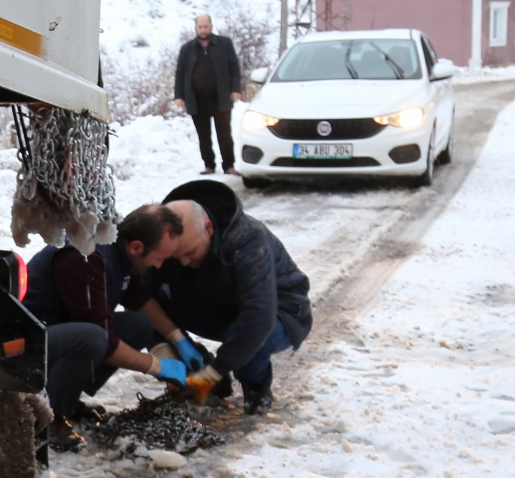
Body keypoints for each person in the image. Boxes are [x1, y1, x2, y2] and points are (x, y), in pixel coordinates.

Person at [23, 204, 202, 451]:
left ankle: (68, 400)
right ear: (136, 247)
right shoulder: (85, 256)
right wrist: (157, 366)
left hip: (63, 332)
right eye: (159, 258)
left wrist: (178, 338)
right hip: (28, 345)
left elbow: (139, 299)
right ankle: (49, 417)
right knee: (94, 338)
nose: (159, 266)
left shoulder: (120, 248)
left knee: (139, 325)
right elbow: (103, 339)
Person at [152, 179, 312, 416]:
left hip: (281, 312)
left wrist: (217, 370)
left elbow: (259, 316)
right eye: (176, 256)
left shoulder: (247, 239)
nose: (183, 262)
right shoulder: (164, 234)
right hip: (215, 306)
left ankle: (256, 388)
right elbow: (139, 294)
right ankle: (197, 367)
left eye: (190, 253)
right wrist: (173, 341)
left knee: (246, 333)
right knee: (149, 309)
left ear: (209, 228)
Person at [174, 14, 243, 176]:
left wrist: (236, 89)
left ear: (211, 26)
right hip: (197, 98)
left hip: (221, 97)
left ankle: (229, 165)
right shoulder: (187, 48)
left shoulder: (224, 44)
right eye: (200, 27)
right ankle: (209, 165)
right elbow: (180, 73)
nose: (203, 30)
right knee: (204, 135)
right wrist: (179, 95)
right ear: (196, 28)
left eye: (206, 27)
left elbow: (234, 68)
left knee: (224, 134)